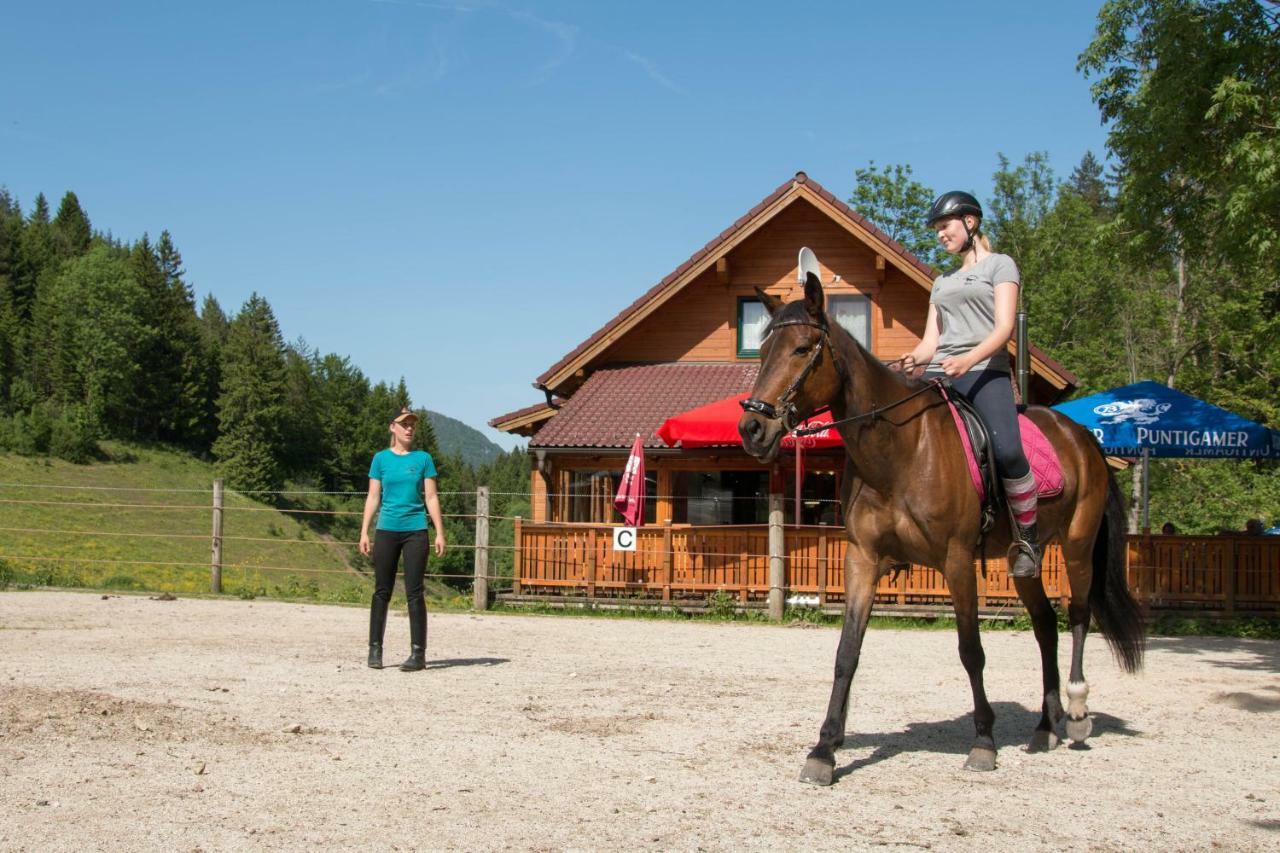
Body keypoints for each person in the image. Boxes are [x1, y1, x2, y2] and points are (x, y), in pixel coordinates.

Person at [900, 191, 1041, 578]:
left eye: (944, 227)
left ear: (970, 222)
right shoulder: (940, 282)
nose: (939, 236)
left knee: (1008, 449)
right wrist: (913, 360)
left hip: (986, 372)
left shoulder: (1000, 265)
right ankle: (899, 533)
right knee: (899, 432)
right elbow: (931, 342)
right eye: (937, 230)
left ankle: (1027, 538)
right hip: (941, 374)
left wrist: (968, 359)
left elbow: (1004, 328)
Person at [359, 406, 446, 671]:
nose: (409, 428)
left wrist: (439, 532)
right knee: (381, 590)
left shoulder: (423, 459)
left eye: (412, 425)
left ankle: (418, 654)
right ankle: (375, 650)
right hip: (386, 530)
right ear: (392, 428)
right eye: (404, 424)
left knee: (415, 592)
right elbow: (374, 496)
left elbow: (431, 497)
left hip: (415, 531)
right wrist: (364, 530)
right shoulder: (380, 459)